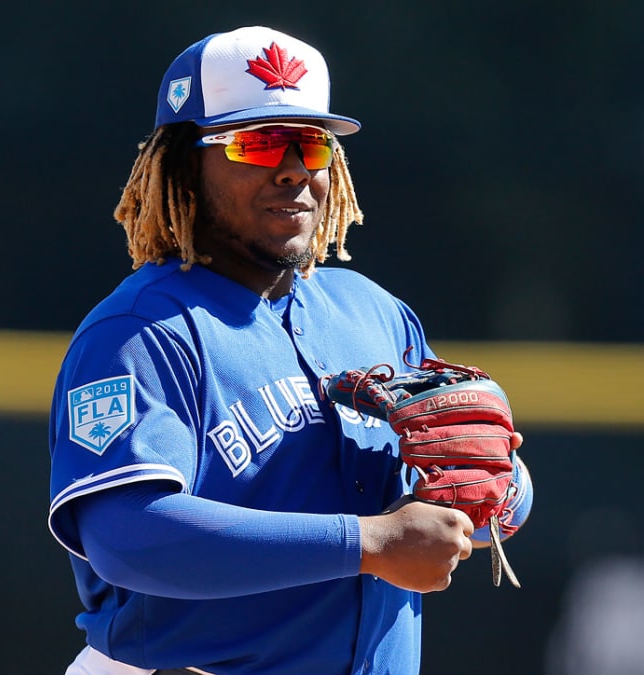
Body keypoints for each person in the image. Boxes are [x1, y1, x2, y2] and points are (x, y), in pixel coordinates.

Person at [46, 25, 534, 675]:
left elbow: (476, 502)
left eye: (311, 144)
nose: (293, 169)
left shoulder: (375, 312)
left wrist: (496, 489)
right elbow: (126, 535)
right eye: (259, 142)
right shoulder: (139, 332)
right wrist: (368, 542)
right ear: (187, 163)